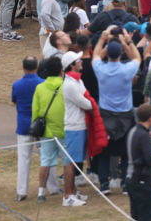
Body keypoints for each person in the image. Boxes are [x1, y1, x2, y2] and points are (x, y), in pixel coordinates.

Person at [91, 30, 142, 192]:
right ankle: (126, 183)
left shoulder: (101, 69)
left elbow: (96, 56)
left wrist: (102, 39)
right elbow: (137, 58)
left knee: (104, 151)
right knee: (126, 151)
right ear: (120, 53)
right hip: (125, 114)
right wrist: (127, 42)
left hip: (105, 114)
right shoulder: (126, 70)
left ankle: (104, 184)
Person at [60, 51, 93, 207]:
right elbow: (86, 103)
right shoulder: (70, 84)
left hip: (79, 124)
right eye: (77, 60)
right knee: (70, 162)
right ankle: (68, 195)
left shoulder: (76, 81)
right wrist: (90, 103)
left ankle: (72, 192)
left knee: (75, 161)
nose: (81, 61)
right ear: (72, 65)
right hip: (74, 126)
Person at [30, 55, 64, 202]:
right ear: (61, 70)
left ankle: (41, 192)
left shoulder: (39, 87)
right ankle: (70, 191)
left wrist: (36, 133)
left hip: (46, 130)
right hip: (64, 129)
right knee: (68, 163)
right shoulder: (65, 85)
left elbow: (35, 112)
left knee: (45, 162)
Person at [11, 55, 42, 202]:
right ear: (37, 67)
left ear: (23, 67)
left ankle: (21, 191)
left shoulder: (17, 85)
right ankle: (51, 187)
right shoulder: (42, 83)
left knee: (23, 159)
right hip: (41, 125)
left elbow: (15, 102)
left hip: (23, 124)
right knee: (46, 157)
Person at [128, 103, 151, 221]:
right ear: (150, 118)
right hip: (142, 179)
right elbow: (150, 160)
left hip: (133, 178)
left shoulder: (134, 131)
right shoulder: (144, 135)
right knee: (146, 215)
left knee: (136, 215)